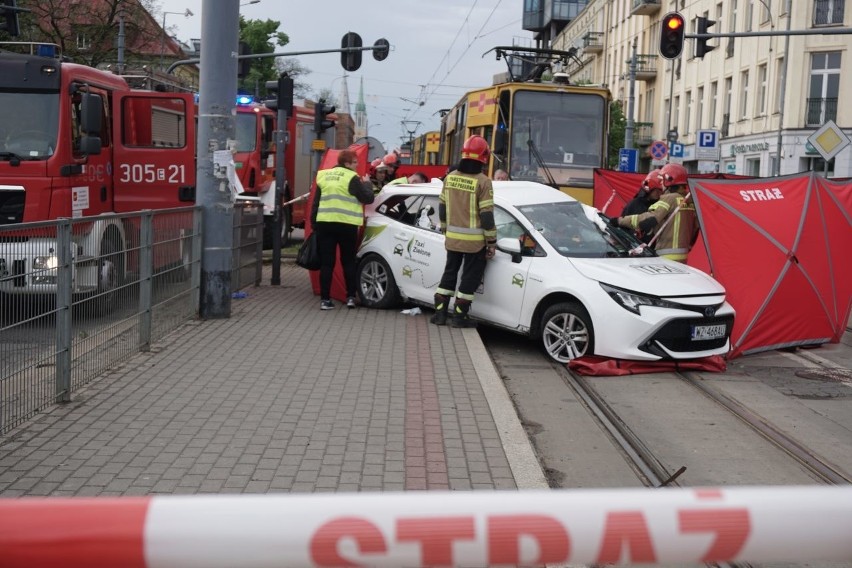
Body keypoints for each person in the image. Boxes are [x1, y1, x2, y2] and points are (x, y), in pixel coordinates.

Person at [431, 135, 497, 328]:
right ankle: (460, 317)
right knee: (470, 277)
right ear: (484, 157)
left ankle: (440, 315)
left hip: (452, 239)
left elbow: (442, 208)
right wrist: (491, 242)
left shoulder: (450, 178)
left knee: (449, 272)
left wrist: (445, 230)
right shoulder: (484, 182)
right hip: (475, 242)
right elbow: (486, 216)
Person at [312, 150, 375, 310]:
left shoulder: (323, 175)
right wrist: (367, 183)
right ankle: (351, 298)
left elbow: (316, 203)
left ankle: (325, 300)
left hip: (325, 223)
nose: (357, 165)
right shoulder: (351, 178)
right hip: (346, 225)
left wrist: (315, 224)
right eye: (355, 162)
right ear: (347, 163)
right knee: (348, 261)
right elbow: (367, 198)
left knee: (327, 263)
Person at [612, 162, 698, 263]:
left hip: (666, 256)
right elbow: (695, 229)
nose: (661, 184)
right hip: (683, 256)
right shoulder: (689, 201)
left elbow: (648, 218)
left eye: (662, 180)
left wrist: (619, 221)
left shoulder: (670, 198)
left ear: (669, 180)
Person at [620, 169, 663, 243]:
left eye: (661, 190)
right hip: (635, 245)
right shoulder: (634, 204)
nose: (659, 193)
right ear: (649, 188)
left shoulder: (662, 205)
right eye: (657, 190)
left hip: (654, 247)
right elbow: (623, 226)